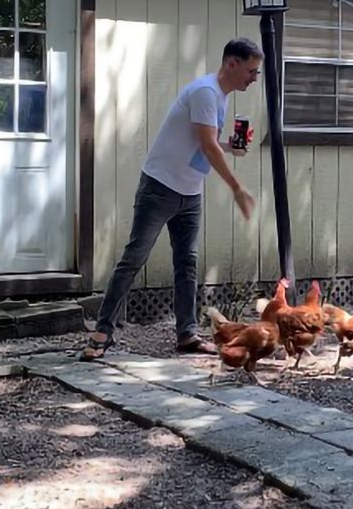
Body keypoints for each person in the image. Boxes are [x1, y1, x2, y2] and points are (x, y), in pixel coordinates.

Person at [79, 38, 260, 361]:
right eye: (251, 70)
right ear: (231, 63)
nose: (254, 77)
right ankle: (102, 331)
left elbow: (205, 141)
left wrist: (231, 147)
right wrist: (236, 188)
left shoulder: (221, 97)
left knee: (186, 264)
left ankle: (186, 334)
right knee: (134, 259)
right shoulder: (205, 92)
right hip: (160, 187)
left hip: (190, 192)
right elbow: (207, 147)